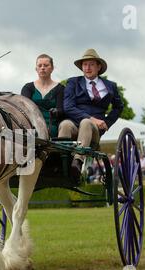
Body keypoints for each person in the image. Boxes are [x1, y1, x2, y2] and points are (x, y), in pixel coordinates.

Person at [58, 48, 124, 182]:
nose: (87, 68)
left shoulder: (110, 86)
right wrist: (92, 118)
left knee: (86, 123)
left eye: (91, 64)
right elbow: (68, 107)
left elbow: (119, 107)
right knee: (65, 124)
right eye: (84, 64)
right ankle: (60, 163)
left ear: (98, 66)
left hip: (94, 131)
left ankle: (77, 162)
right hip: (75, 125)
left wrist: (107, 123)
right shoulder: (73, 82)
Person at [21, 54, 65, 138]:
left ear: (52, 68)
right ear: (36, 69)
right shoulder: (28, 88)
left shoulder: (60, 88)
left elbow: (62, 110)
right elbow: (24, 109)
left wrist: (57, 111)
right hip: (31, 124)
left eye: (46, 65)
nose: (42, 68)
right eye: (40, 65)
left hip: (52, 124)